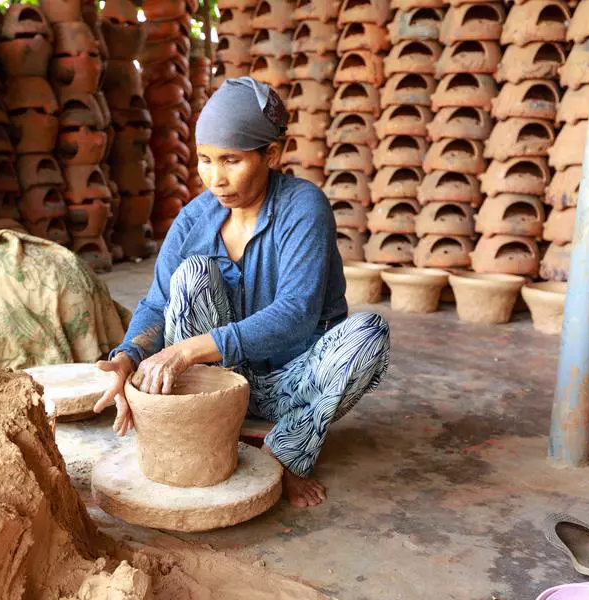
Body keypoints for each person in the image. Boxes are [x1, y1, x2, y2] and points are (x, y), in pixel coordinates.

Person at [92, 77, 391, 508]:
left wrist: (186, 351)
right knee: (191, 275)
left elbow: (297, 312)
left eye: (231, 160)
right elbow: (158, 304)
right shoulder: (194, 218)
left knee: (368, 334)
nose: (216, 178)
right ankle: (205, 429)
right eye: (205, 161)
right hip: (221, 379)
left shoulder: (303, 206)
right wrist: (126, 358)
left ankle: (287, 453)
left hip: (295, 380)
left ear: (272, 154)